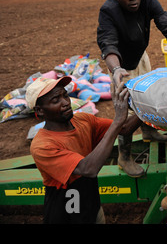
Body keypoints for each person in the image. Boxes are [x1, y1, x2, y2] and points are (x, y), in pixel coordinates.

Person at [97, 0, 167, 177]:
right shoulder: (108, 11)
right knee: (127, 111)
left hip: (140, 56)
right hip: (120, 65)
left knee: (148, 96)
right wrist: (116, 69)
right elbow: (108, 43)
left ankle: (148, 131)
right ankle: (124, 156)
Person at [27, 76, 141, 223]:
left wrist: (147, 108)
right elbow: (88, 169)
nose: (66, 103)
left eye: (65, 95)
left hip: (91, 202)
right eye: (56, 100)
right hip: (66, 213)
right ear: (40, 111)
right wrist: (117, 121)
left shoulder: (83, 120)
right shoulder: (43, 146)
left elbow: (124, 128)